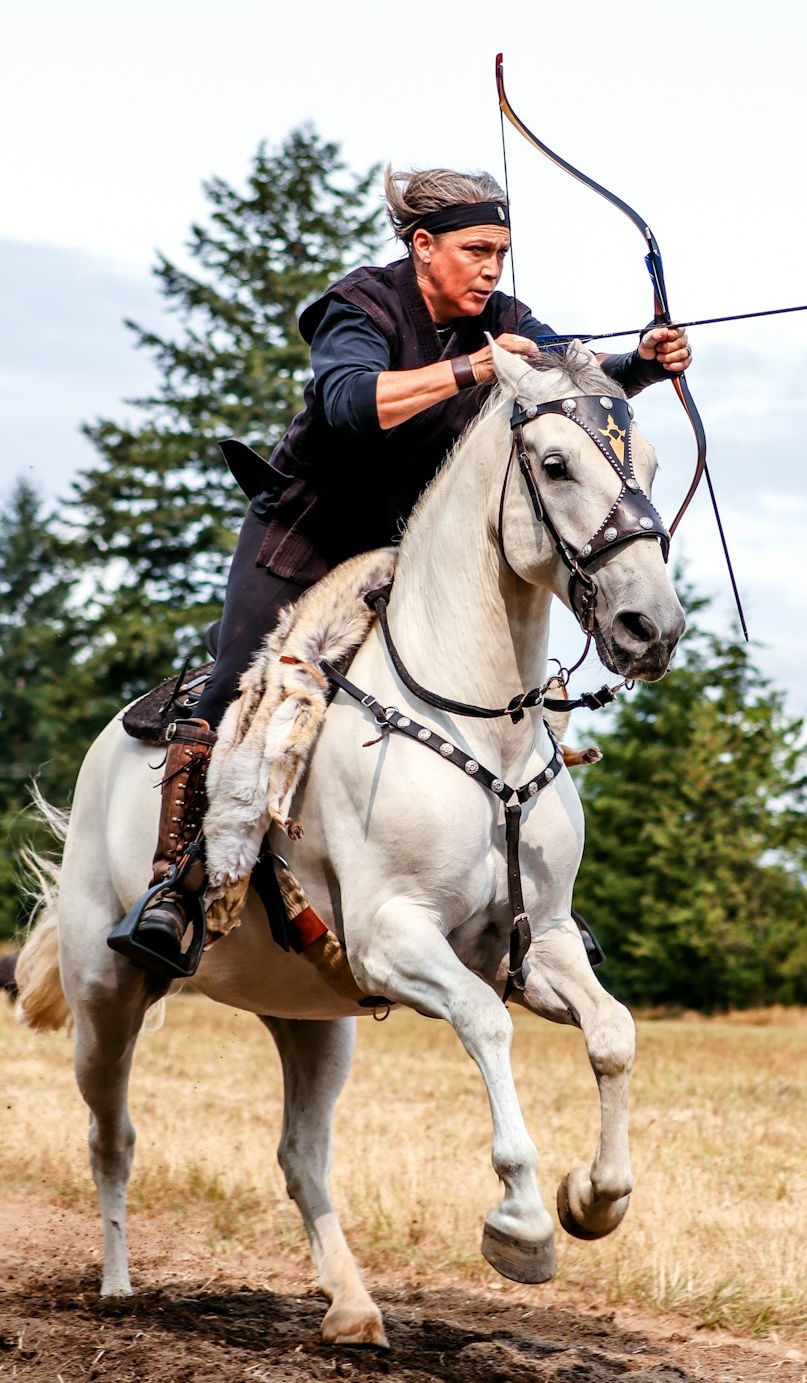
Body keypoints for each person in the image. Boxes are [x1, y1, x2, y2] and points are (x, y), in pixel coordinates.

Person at [119, 165, 692, 970]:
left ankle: (530, 905)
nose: (492, 269)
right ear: (424, 247)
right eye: (477, 250)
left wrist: (643, 361)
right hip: (304, 540)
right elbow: (350, 403)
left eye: (502, 251)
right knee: (232, 689)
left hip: (406, 556)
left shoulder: (506, 319)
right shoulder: (359, 306)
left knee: (504, 699)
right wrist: (474, 370)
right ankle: (175, 886)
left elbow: (570, 382)